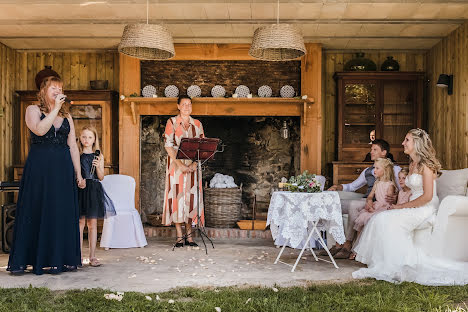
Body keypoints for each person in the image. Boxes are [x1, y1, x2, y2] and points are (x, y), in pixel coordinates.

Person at [352, 129, 468, 285]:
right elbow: (407, 188)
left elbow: (427, 196)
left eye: (406, 140)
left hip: (425, 208)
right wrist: (397, 200)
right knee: (379, 218)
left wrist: (401, 207)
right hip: (413, 204)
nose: (402, 143)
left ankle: (397, 265)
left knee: (386, 220)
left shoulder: (426, 166)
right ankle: (388, 262)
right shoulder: (412, 163)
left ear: (417, 144)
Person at [7, 76, 84, 275]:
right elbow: (40, 130)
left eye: (60, 87)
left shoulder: (67, 116)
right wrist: (56, 109)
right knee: (37, 209)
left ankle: (60, 259)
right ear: (43, 91)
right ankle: (33, 259)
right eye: (53, 88)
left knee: (60, 211)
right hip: (40, 169)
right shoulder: (32, 110)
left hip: (63, 169)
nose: (58, 90)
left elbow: (73, 146)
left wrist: (78, 173)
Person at [326, 139, 401, 259]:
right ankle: (338, 242)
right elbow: (353, 186)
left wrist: (396, 196)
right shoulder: (368, 170)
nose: (371, 152)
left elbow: (401, 187)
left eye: (374, 149)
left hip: (380, 203)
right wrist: (337, 187)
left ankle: (348, 244)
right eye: (371, 149)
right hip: (367, 200)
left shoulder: (394, 169)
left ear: (384, 152)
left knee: (353, 205)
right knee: (334, 205)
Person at [163, 95, 204, 247]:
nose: (187, 106)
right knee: (177, 198)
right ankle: (180, 236)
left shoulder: (198, 124)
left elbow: (202, 145)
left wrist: (194, 164)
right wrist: (180, 164)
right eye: (184, 104)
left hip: (193, 166)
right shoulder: (172, 122)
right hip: (176, 167)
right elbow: (168, 145)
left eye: (189, 104)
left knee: (191, 199)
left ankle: (190, 236)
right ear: (178, 106)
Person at [77, 126, 116, 267]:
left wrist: (98, 166)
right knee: (80, 223)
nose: (86, 140)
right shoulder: (77, 154)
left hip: (93, 189)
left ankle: (92, 256)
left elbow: (101, 177)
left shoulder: (98, 156)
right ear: (80, 138)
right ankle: (78, 255)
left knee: (92, 224)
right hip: (80, 189)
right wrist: (79, 180)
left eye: (90, 137)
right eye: (84, 137)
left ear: (94, 140)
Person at [353, 157, 397, 233]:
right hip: (376, 205)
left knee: (371, 218)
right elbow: (370, 196)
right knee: (363, 218)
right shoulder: (377, 183)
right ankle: (360, 242)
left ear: (385, 170)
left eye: (377, 168)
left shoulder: (390, 185)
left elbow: (389, 202)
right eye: (374, 168)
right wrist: (369, 201)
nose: (374, 170)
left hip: (384, 208)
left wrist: (376, 209)